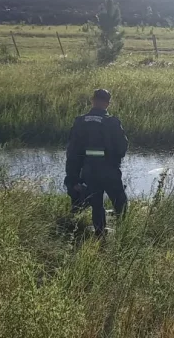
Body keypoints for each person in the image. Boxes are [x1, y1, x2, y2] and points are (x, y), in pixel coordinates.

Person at [64, 89, 129, 237]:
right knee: (120, 201)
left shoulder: (80, 122)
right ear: (108, 103)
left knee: (96, 204)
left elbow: (72, 152)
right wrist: (114, 160)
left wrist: (73, 177)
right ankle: (124, 232)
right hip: (110, 170)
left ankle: (100, 235)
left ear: (92, 100)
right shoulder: (112, 122)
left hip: (89, 170)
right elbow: (122, 147)